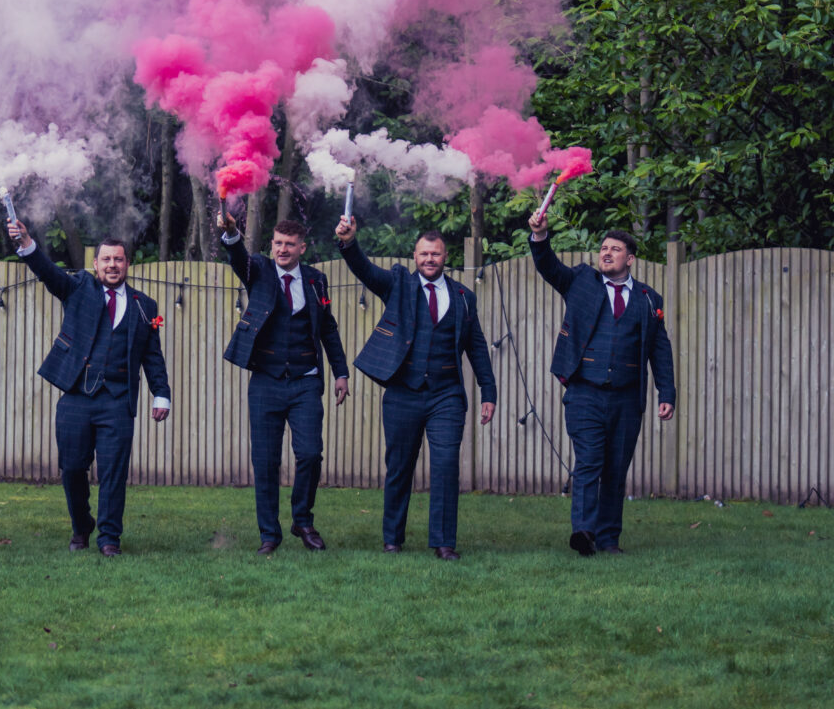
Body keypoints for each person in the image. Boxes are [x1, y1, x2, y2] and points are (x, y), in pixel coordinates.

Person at [335, 217, 496, 560]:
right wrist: (349, 243)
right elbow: (365, 270)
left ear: (445, 256)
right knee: (399, 467)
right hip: (402, 393)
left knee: (446, 466)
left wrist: (489, 392)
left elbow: (477, 347)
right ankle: (392, 538)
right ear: (414, 256)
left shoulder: (464, 297)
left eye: (435, 254)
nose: (429, 259)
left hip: (446, 395)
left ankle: (444, 543)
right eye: (424, 253)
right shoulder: (398, 285)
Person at [8, 220, 170, 556]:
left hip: (118, 400)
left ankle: (109, 538)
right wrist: (26, 243)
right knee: (71, 469)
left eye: (118, 259)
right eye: (106, 259)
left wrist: (162, 393)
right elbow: (48, 273)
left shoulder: (145, 305)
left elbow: (152, 355)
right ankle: (82, 526)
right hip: (76, 397)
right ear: (95, 264)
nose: (112, 265)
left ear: (128, 264)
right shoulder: (79, 288)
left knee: (113, 472)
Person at [528, 209, 675, 555]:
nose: (606, 253)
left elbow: (660, 349)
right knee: (590, 461)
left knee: (615, 470)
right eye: (604, 248)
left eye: (615, 249)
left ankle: (608, 540)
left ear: (630, 259)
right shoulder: (581, 281)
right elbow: (549, 267)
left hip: (627, 398)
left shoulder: (649, 299)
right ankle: (583, 532)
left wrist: (666, 392)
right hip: (585, 392)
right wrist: (540, 236)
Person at [218, 210, 349, 554]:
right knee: (265, 462)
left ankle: (302, 520)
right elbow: (238, 257)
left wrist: (341, 372)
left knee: (310, 454)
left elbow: (328, 328)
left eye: (289, 244)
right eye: (277, 243)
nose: (282, 249)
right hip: (266, 381)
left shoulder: (317, 281)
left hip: (305, 381)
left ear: (302, 247)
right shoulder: (259, 271)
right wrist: (231, 233)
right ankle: (269, 535)